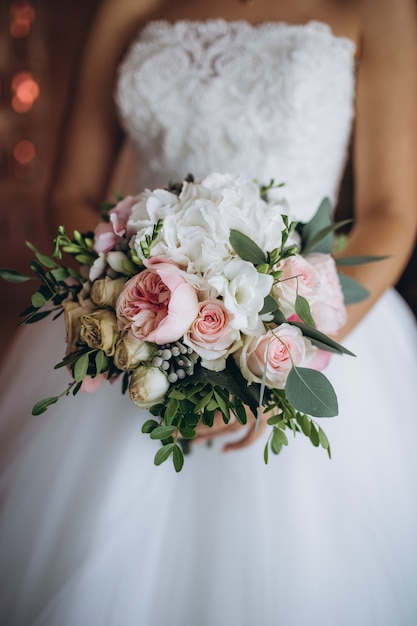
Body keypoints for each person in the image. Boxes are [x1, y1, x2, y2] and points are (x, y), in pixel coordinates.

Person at [1, 0, 417, 624]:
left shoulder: (378, 8)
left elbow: (392, 211)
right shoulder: (126, 6)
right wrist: (130, 303)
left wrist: (286, 349)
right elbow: (69, 192)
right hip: (136, 311)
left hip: (303, 311)